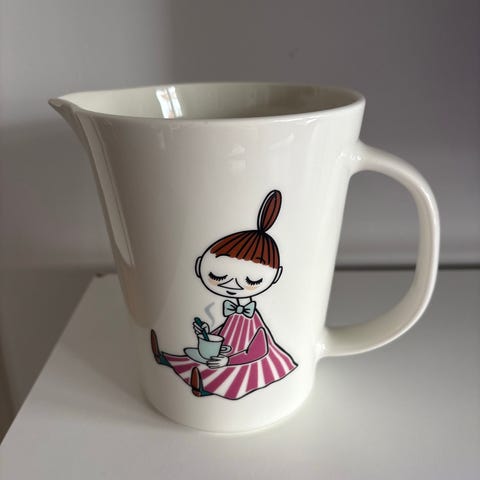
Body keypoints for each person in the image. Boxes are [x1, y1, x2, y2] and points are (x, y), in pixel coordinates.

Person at [151, 190, 297, 400]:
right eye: (217, 276)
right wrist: (205, 334)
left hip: (243, 358)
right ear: (199, 265)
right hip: (226, 350)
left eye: (252, 281)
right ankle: (167, 361)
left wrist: (227, 360)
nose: (232, 286)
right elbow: (225, 334)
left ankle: (204, 388)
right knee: (203, 358)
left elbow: (258, 352)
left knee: (235, 373)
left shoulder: (251, 320)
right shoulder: (235, 314)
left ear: (277, 276)